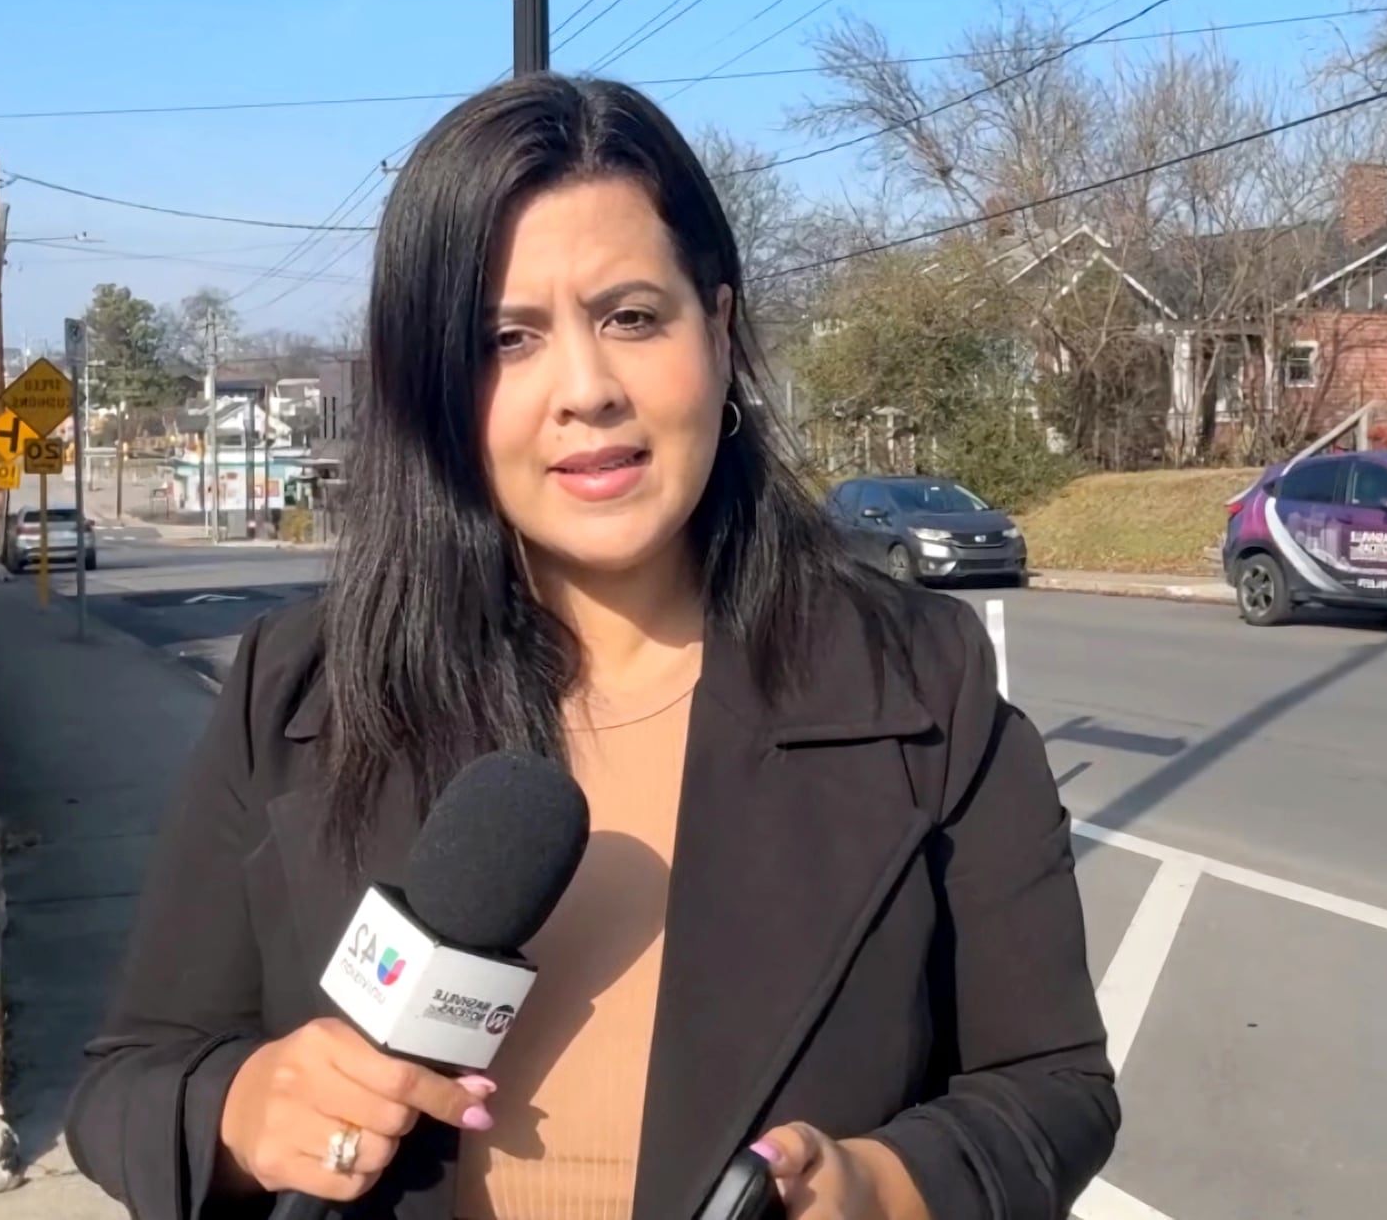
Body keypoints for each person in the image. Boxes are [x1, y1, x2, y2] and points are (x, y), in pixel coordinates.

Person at [65, 74, 1118, 1220]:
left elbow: (1050, 1087)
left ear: (717, 329)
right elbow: (127, 1081)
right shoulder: (297, 695)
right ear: (436, 388)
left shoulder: (918, 681)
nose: (586, 390)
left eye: (631, 317)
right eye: (506, 339)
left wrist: (885, 1187)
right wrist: (240, 1108)